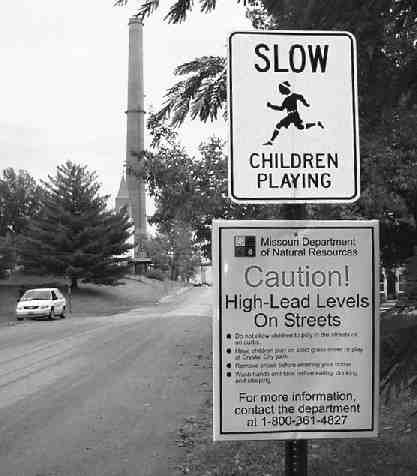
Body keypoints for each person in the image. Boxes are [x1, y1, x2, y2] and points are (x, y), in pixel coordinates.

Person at [263, 81, 324, 145]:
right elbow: (281, 108)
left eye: (281, 90)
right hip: (291, 115)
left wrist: (305, 103)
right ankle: (317, 123)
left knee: (281, 126)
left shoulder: (293, 96)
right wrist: (271, 106)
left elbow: (300, 96)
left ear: (285, 89)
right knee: (299, 126)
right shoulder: (286, 100)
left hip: (294, 115)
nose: (280, 92)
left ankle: (271, 141)